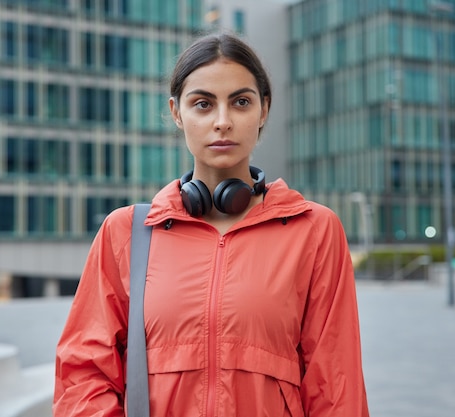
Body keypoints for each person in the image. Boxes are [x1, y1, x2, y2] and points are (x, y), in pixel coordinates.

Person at [53, 32, 369, 417]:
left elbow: (337, 386)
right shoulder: (128, 232)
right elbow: (83, 374)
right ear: (176, 112)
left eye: (240, 102)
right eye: (203, 104)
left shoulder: (314, 230)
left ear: (263, 110)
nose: (223, 122)